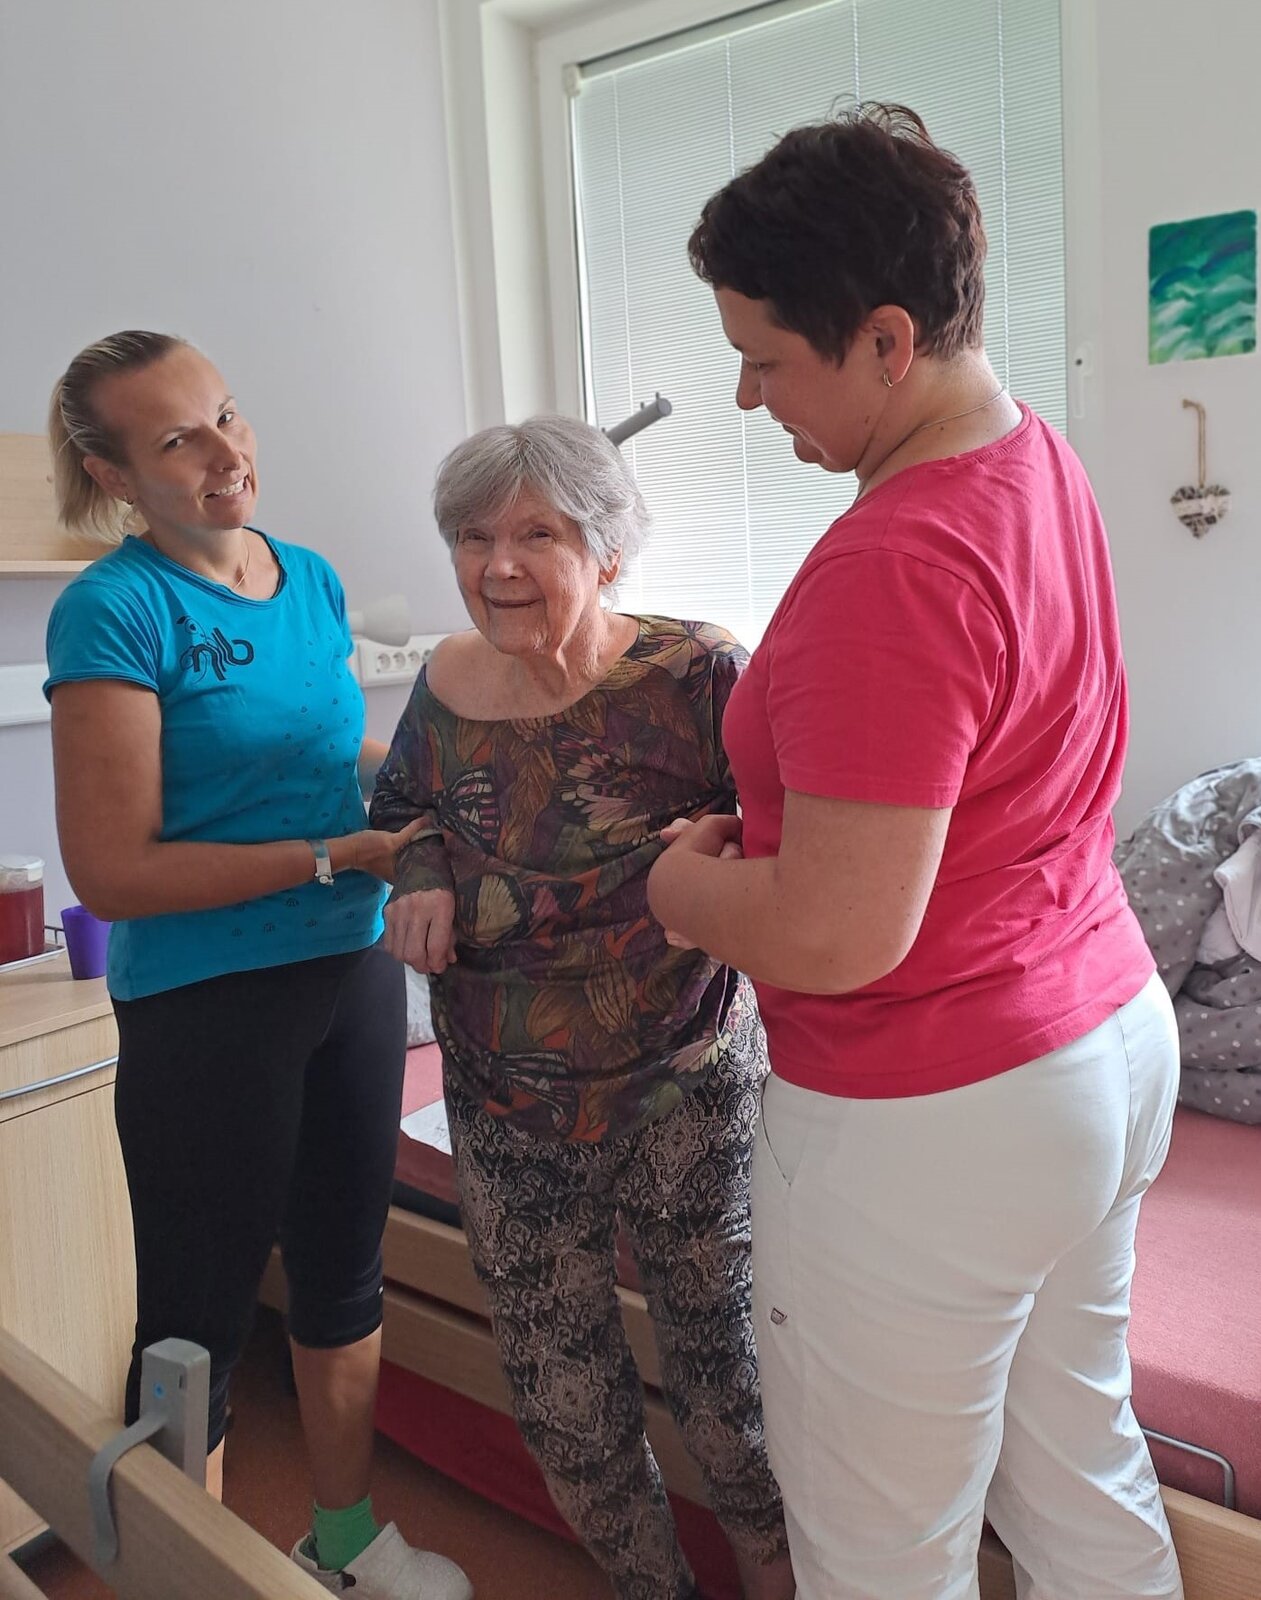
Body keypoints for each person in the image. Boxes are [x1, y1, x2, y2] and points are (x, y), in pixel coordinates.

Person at [646, 105, 1184, 1600]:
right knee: (1079, 1472)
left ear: (887, 341)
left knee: (883, 1552)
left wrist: (685, 890)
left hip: (935, 1105)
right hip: (1098, 1036)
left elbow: (838, 933)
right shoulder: (1032, 457)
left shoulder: (894, 559)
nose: (745, 397)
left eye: (764, 359)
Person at [44, 330, 472, 1600]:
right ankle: (184, 1578)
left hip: (349, 972)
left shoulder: (310, 578)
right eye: (178, 438)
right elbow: (113, 871)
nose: (226, 454)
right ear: (114, 473)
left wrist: (424, 799)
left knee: (343, 1277)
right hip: (207, 1002)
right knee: (196, 1317)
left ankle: (343, 1546)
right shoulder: (116, 609)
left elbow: (325, 759)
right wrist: (332, 856)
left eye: (226, 415)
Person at [370, 415, 793, 1600]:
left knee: (729, 1385)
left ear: (606, 550)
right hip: (505, 1105)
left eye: (536, 535)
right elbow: (403, 806)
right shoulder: (443, 684)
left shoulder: (696, 671)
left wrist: (714, 859)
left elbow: (784, 827)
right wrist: (418, 873)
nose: (497, 564)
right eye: (473, 537)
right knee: (567, 1406)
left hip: (682, 1084)